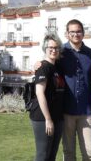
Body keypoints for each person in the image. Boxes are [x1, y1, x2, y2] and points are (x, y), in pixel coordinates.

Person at [58, 19, 91, 161]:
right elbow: (50, 68)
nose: (76, 34)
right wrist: (39, 64)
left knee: (90, 152)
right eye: (72, 32)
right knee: (68, 152)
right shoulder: (60, 53)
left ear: (83, 33)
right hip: (66, 110)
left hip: (86, 111)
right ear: (67, 34)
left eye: (78, 31)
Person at [30, 33, 67, 161]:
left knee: (52, 155)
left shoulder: (57, 67)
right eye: (50, 47)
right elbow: (40, 93)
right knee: (43, 155)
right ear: (45, 49)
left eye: (56, 47)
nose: (53, 50)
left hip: (57, 117)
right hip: (42, 118)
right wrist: (48, 119)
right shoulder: (43, 67)